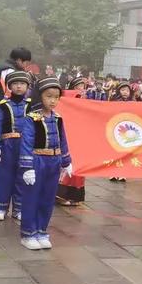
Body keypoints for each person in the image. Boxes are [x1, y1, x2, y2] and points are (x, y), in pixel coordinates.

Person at [19, 77, 72, 250]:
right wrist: (27, 168)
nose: (53, 100)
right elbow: (26, 142)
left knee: (48, 198)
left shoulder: (58, 118)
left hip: (54, 162)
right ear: (39, 96)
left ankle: (42, 230)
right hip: (37, 161)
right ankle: (28, 233)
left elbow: (63, 141)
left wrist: (66, 162)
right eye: (49, 96)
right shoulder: (31, 119)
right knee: (32, 197)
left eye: (56, 97)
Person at [0, 48, 32, 184]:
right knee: (0, 138)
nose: (26, 66)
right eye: (26, 62)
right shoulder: (10, 71)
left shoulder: (5, 67)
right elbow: (9, 92)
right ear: (19, 60)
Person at [0, 71, 32, 221]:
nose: (19, 86)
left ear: (27, 86)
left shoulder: (31, 106)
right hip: (7, 145)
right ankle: (0, 207)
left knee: (22, 176)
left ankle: (19, 209)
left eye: (22, 84)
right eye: (15, 84)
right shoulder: (3, 105)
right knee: (3, 176)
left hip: (26, 146)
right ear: (10, 86)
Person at [56, 76, 87, 206]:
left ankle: (76, 196)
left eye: (83, 86)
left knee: (79, 170)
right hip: (67, 137)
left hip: (80, 138)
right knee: (67, 166)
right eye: (78, 86)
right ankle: (61, 195)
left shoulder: (86, 101)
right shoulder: (66, 100)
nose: (81, 89)